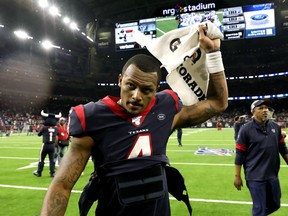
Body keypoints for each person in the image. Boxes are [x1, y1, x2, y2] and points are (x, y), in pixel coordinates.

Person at [40, 24, 228, 216]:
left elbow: (218, 103)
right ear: (120, 80)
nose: (136, 96)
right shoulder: (94, 117)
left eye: (146, 90)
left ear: (156, 89)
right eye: (130, 85)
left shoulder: (166, 108)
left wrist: (213, 53)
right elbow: (62, 185)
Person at [234, 99, 288, 216]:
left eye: (266, 108)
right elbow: (239, 154)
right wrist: (237, 176)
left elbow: (283, 148)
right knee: (260, 209)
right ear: (253, 112)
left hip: (272, 175)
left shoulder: (275, 127)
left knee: (275, 204)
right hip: (255, 177)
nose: (265, 110)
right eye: (261, 108)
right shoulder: (245, 130)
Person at [33, 111, 61, 177]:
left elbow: (39, 134)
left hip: (45, 145)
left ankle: (39, 172)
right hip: (52, 145)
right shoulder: (56, 128)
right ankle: (52, 173)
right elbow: (58, 134)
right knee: (52, 160)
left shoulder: (44, 128)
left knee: (41, 159)